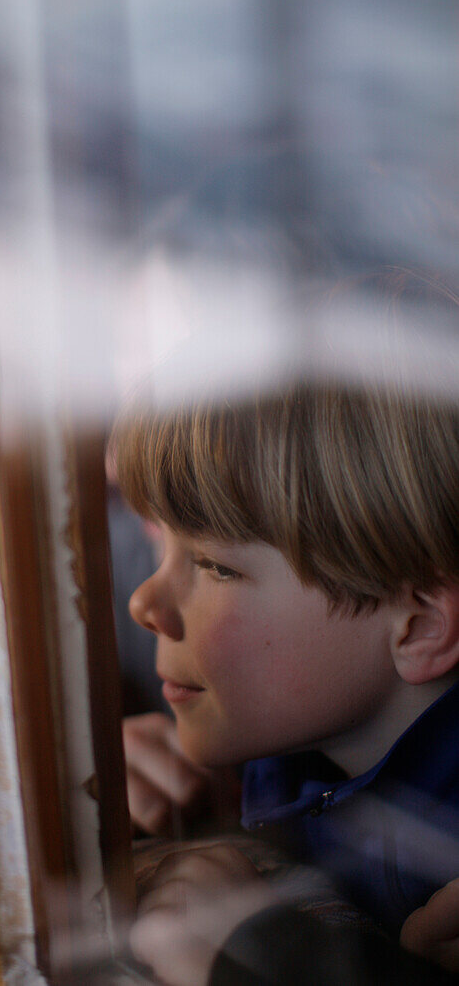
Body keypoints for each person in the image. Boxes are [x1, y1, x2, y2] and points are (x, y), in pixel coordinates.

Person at [112, 381, 459, 983]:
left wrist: (262, 952)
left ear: (419, 627)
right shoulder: (286, 754)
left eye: (215, 565)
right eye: (161, 543)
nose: (145, 601)